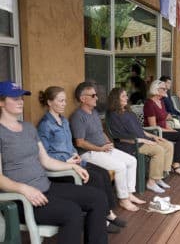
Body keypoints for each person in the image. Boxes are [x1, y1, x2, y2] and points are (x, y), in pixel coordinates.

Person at [0, 81, 108, 244]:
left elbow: (46, 161)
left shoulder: (29, 128)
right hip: (21, 199)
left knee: (98, 197)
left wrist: (72, 166)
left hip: (46, 187)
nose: (20, 101)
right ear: (1, 102)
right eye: (14, 98)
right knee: (72, 212)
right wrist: (24, 189)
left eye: (21, 97)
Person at [37, 86, 126, 233]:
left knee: (103, 174)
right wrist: (66, 162)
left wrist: (75, 154)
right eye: (60, 101)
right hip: (62, 168)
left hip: (75, 161)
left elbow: (69, 145)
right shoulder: (45, 125)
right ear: (49, 102)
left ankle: (108, 213)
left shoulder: (64, 121)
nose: (64, 104)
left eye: (65, 100)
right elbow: (44, 154)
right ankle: (104, 219)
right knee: (95, 178)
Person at [70, 82, 146, 212]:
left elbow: (101, 132)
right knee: (120, 166)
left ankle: (129, 193)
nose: (97, 98)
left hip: (103, 148)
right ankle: (123, 199)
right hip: (89, 153)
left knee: (132, 161)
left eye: (96, 95)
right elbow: (80, 142)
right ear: (83, 99)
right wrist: (100, 149)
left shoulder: (93, 113)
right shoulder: (78, 117)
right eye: (93, 95)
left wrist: (108, 143)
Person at [107, 87, 174, 193]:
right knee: (158, 150)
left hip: (141, 140)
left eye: (126, 95)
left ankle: (159, 177)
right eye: (123, 96)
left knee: (168, 145)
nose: (127, 98)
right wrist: (141, 140)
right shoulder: (114, 115)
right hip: (130, 144)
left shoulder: (129, 112)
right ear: (116, 99)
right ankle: (151, 183)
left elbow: (140, 130)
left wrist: (153, 136)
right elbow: (119, 137)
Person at [144, 80, 180, 177]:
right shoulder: (149, 104)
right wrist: (169, 130)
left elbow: (164, 120)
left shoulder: (160, 102)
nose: (166, 90)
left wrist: (169, 128)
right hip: (156, 132)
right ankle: (176, 165)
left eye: (166, 89)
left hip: (163, 129)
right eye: (163, 89)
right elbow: (153, 126)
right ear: (156, 90)